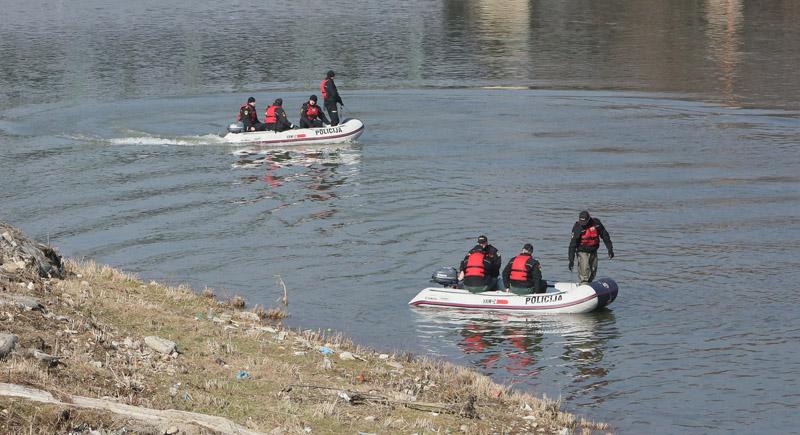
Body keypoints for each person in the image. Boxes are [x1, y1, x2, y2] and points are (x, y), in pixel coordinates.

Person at [568, 211, 614, 284]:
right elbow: (572, 245)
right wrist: (571, 260)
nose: (583, 224)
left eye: (584, 222)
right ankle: (583, 284)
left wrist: (610, 249)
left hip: (593, 251)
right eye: (581, 222)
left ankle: (589, 286)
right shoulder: (577, 227)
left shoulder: (596, 224)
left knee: (593, 272)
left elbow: (605, 236)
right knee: (585, 272)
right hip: (582, 251)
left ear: (589, 219)